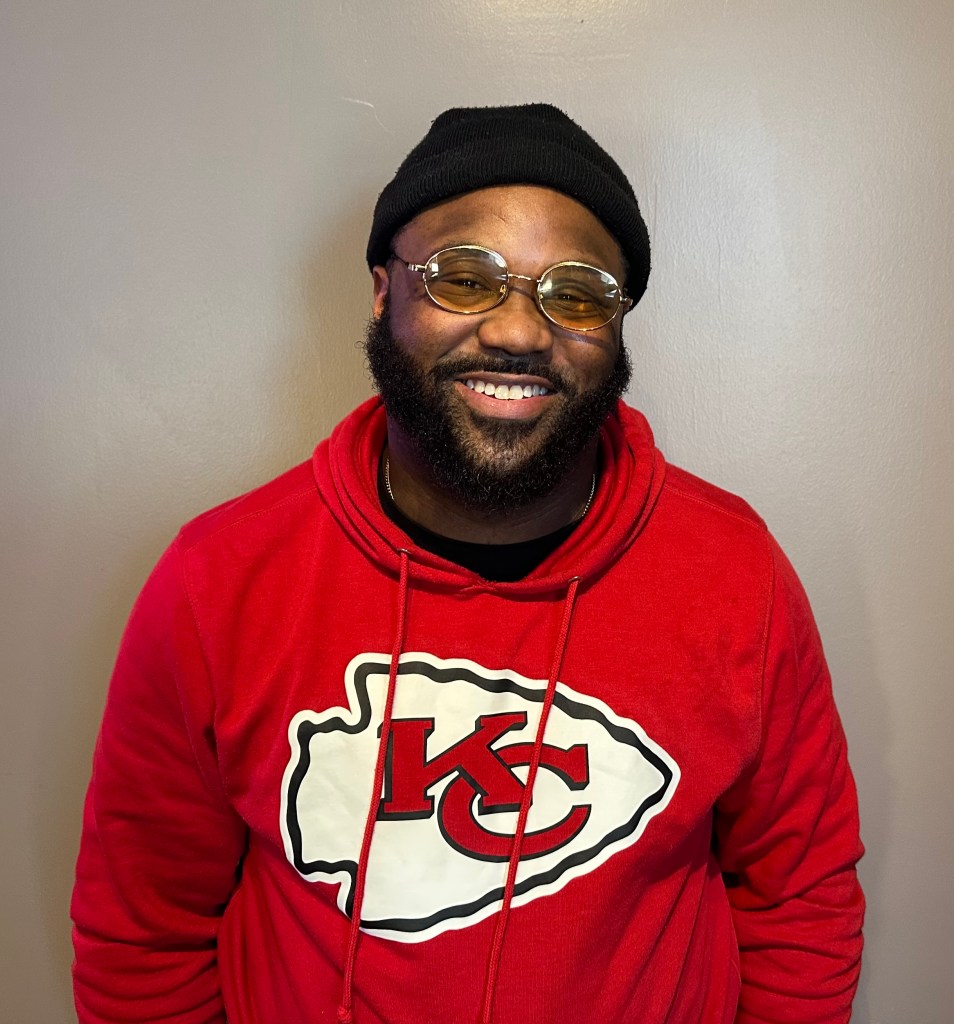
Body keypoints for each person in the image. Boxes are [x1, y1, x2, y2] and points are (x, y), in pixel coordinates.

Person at [71, 103, 864, 1024]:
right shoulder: (216, 583)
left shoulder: (735, 574)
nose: (520, 332)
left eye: (576, 293)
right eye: (465, 277)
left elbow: (801, 901)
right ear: (384, 292)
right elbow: (144, 937)